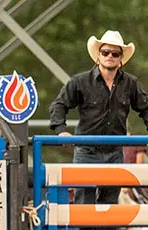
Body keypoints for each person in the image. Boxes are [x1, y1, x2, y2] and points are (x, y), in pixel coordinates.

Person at [49, 30, 148, 210]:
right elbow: (59, 105)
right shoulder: (80, 81)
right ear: (98, 56)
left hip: (115, 151)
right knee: (83, 205)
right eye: (105, 52)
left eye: (115, 53)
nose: (110, 56)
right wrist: (61, 130)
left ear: (120, 59)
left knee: (109, 206)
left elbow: (145, 108)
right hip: (87, 150)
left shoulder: (130, 84)